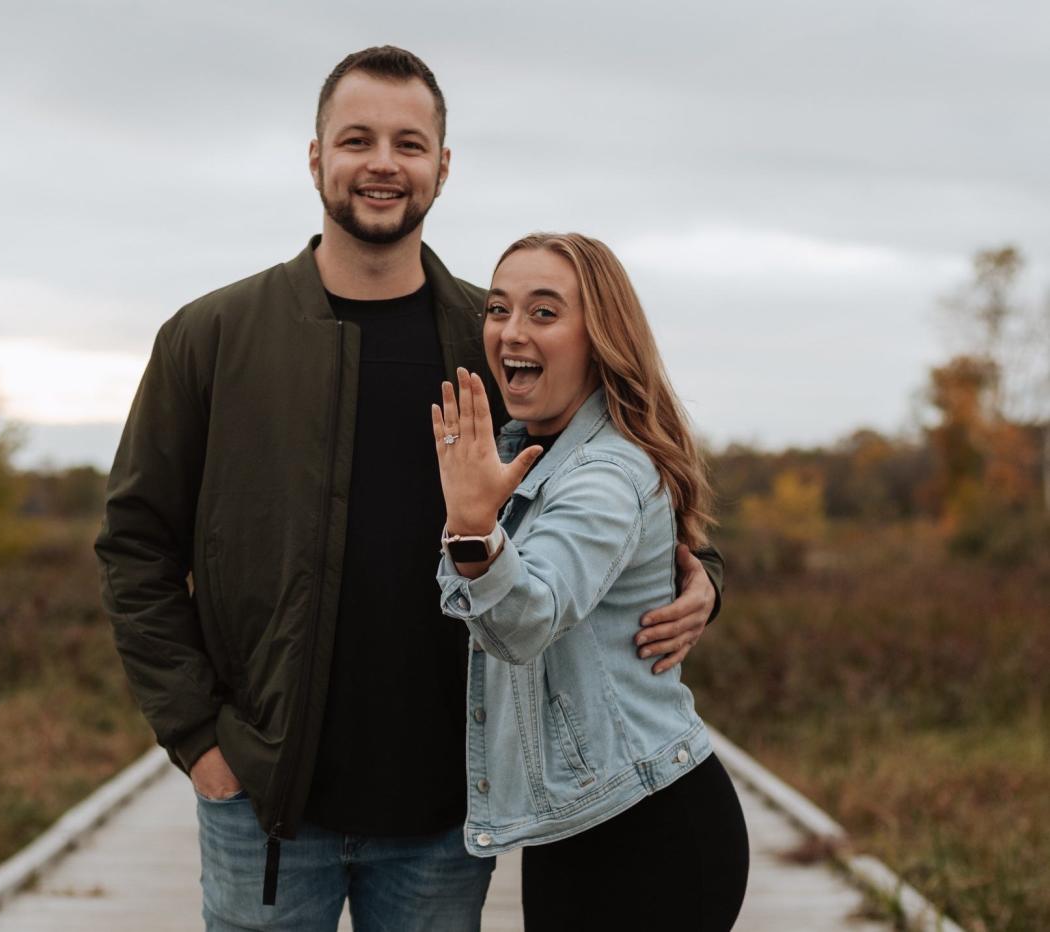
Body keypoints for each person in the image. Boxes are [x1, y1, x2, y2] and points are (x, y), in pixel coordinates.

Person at [95, 47, 725, 931]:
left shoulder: (494, 335)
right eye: (357, 139)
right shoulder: (212, 337)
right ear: (316, 157)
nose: (383, 163)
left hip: (442, 811)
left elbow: (617, 466)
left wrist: (707, 577)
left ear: (443, 166)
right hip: (265, 802)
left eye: (409, 142)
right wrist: (198, 740)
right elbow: (135, 546)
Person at [433, 233, 749, 930]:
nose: (512, 331)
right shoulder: (524, 447)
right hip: (580, 826)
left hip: (649, 834)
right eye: (498, 309)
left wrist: (474, 530)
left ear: (599, 338)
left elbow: (527, 619)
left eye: (544, 313)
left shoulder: (607, 474)